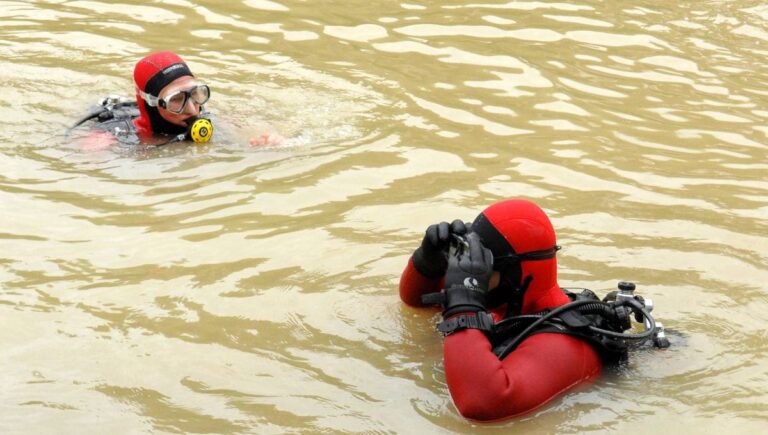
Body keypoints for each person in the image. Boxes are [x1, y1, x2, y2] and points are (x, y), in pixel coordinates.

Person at [399, 199, 604, 421]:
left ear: (513, 273)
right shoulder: (509, 304)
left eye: (483, 266)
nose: (476, 273)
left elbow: (480, 404)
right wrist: (427, 264)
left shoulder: (565, 347)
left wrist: (463, 303)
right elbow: (417, 304)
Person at [75, 51, 283, 150]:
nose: (193, 110)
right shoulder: (112, 137)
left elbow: (261, 136)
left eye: (196, 94)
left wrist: (270, 144)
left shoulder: (215, 121)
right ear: (153, 103)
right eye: (177, 99)